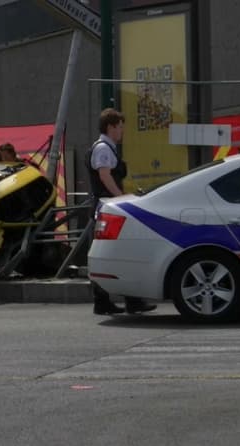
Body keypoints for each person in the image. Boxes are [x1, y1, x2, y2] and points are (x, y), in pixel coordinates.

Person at [87, 108, 155, 316]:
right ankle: (114, 301)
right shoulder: (103, 149)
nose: (122, 131)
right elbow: (105, 176)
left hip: (107, 206)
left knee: (117, 252)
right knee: (118, 253)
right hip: (109, 207)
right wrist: (120, 198)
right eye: (120, 127)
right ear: (110, 127)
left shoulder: (106, 148)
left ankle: (123, 301)